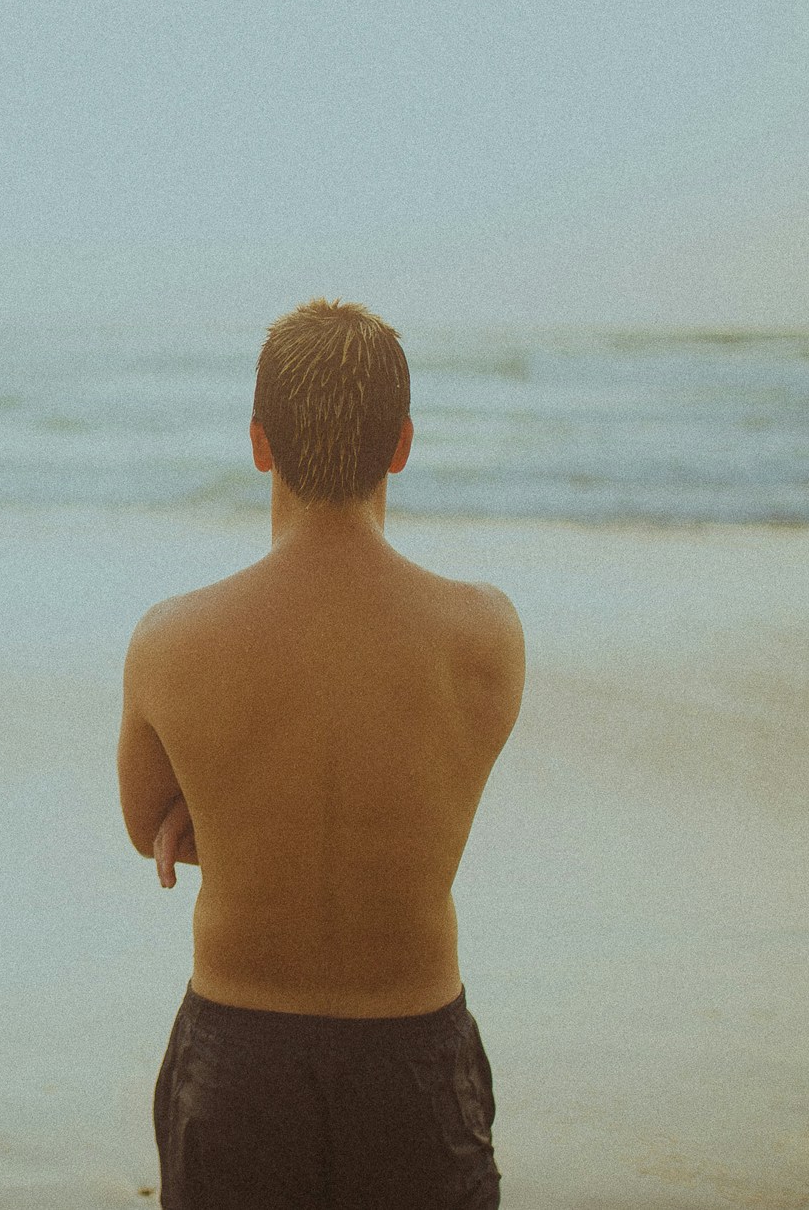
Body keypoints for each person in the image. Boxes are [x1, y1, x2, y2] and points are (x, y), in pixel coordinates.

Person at [118, 300, 524, 1208]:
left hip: (239, 1051)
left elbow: (148, 823)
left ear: (260, 442)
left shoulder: (173, 640)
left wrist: (229, 805)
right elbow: (431, 777)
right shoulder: (485, 634)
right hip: (415, 1052)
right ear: (403, 444)